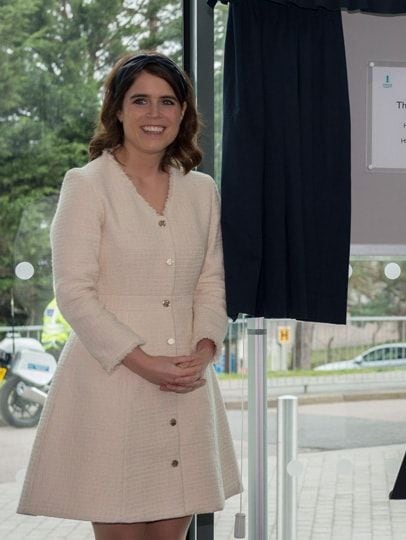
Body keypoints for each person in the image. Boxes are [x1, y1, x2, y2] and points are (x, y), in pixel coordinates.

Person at [17, 51, 241, 539]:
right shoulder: (86, 185)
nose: (154, 114)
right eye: (140, 100)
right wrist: (142, 361)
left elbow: (211, 280)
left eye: (166, 102)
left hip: (185, 386)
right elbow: (73, 292)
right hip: (113, 386)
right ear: (117, 109)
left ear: (183, 113)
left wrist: (205, 349)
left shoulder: (202, 191)